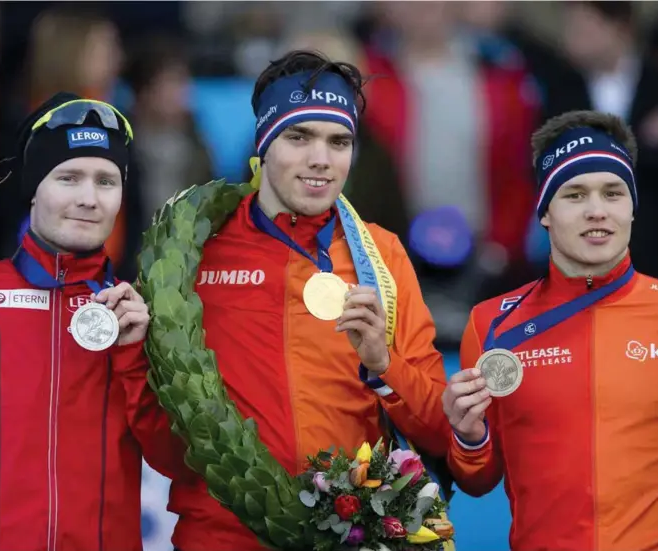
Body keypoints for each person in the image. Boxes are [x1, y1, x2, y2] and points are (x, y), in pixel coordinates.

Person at [167, 50, 452, 550]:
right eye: (299, 137)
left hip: (345, 535)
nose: (321, 158)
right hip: (223, 536)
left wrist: (382, 365)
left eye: (338, 141)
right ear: (264, 142)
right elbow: (164, 438)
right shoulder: (198, 251)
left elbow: (437, 430)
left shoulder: (379, 255)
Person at [0, 93, 191, 550]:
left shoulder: (144, 315)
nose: (88, 199)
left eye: (106, 181)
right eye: (68, 178)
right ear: (34, 187)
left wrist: (135, 356)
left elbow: (176, 460)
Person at [443, 109, 658, 551]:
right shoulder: (491, 323)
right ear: (545, 213)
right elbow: (477, 479)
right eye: (575, 195)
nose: (597, 211)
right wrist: (469, 436)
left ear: (632, 208)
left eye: (613, 193)